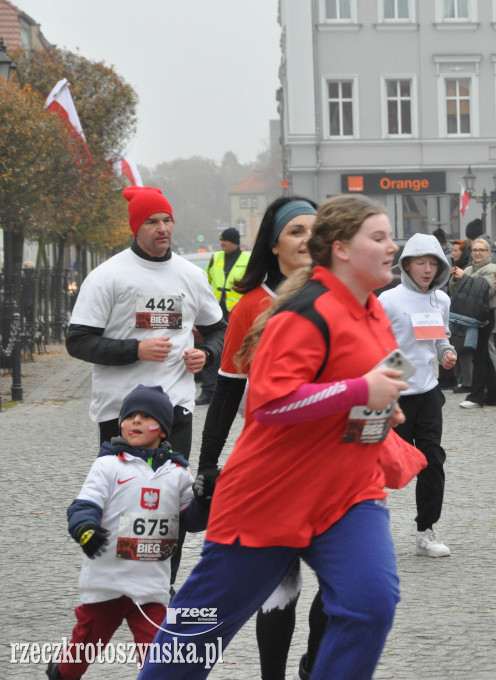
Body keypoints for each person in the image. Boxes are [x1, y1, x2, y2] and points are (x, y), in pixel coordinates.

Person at [137, 194, 423, 680]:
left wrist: (380, 409)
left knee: (371, 606)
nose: (393, 246)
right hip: (270, 499)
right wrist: (360, 389)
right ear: (342, 249)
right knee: (196, 633)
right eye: (379, 237)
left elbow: (361, 393)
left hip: (347, 495)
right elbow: (269, 404)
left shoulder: (373, 309)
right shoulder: (304, 314)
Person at [66, 186, 225, 583]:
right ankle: (121, 583)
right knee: (125, 502)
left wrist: (207, 356)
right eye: (152, 221)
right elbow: (78, 340)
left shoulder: (190, 275)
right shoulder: (108, 276)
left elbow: (218, 328)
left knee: (169, 503)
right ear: (136, 227)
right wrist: (134, 350)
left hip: (176, 410)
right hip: (121, 413)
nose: (162, 228)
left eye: (167, 220)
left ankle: (160, 588)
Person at [193, 196, 317, 680]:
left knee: (348, 588)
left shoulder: (340, 296)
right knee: (280, 584)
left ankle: (316, 663)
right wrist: (206, 464)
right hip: (275, 467)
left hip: (332, 465)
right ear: (273, 243)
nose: (308, 240)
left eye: (315, 230)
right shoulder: (251, 307)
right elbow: (227, 395)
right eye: (295, 231)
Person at [49, 385, 209, 680]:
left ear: (163, 431)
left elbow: (193, 521)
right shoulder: (108, 465)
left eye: (145, 416)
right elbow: (85, 504)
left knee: (158, 662)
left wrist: (205, 499)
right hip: (107, 582)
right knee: (78, 658)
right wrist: (84, 529)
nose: (135, 421)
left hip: (152, 587)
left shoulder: (177, 473)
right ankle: (60, 673)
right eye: (130, 415)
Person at [379, 233, 458, 557]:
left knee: (432, 460)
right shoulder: (388, 301)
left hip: (428, 393)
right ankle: (369, 531)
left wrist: (447, 353)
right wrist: (398, 376)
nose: (427, 269)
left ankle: (426, 530)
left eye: (432, 263)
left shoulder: (441, 301)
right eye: (420, 263)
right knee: (382, 465)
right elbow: (376, 347)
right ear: (406, 265)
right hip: (393, 394)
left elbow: (439, 340)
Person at [197, 227, 251, 404]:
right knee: (212, 348)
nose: (222, 243)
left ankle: (238, 391)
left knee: (237, 352)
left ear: (235, 242)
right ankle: (208, 391)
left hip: (239, 313)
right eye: (221, 240)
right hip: (215, 313)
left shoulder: (247, 259)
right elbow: (205, 282)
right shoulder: (216, 258)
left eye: (225, 240)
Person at [450, 238, 496, 409]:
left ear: (488, 253)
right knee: (483, 356)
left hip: (485, 315)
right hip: (470, 317)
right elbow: (456, 291)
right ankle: (493, 394)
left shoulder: (492, 269)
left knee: (479, 356)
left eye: (481, 250)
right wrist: (456, 280)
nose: (477, 253)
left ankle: (476, 396)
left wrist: (464, 278)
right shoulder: (470, 268)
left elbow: (486, 290)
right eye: (475, 250)